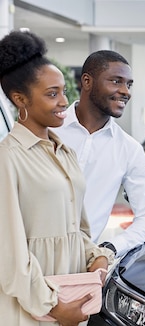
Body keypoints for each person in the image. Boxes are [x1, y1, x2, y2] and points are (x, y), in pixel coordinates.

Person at [0, 30, 113, 325]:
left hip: (72, 304)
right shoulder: (7, 158)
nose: (64, 101)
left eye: (64, 91)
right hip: (31, 310)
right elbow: (9, 255)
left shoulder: (65, 153)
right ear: (20, 99)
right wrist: (52, 306)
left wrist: (95, 256)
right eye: (52, 94)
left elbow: (78, 230)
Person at [54, 50, 145, 258]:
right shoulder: (47, 130)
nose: (125, 91)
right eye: (116, 81)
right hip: (22, 258)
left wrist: (109, 248)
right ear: (87, 81)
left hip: (80, 265)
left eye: (128, 84)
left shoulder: (129, 149)